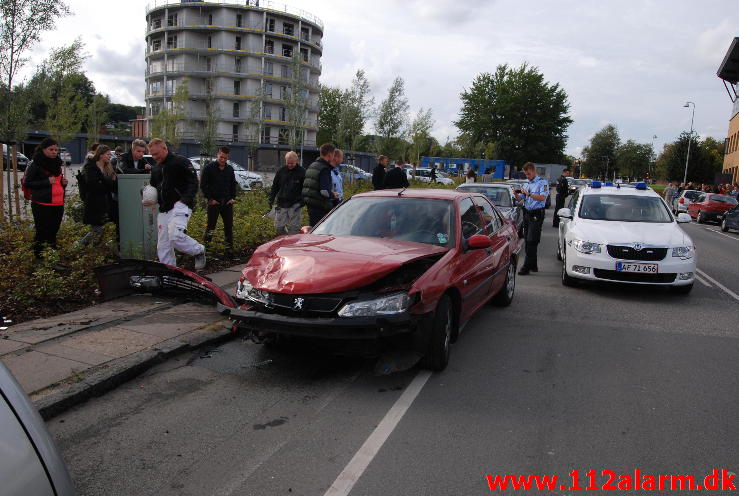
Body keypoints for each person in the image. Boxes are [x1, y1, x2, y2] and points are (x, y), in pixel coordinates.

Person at [147, 138, 206, 269]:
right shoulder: (156, 169)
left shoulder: (181, 162)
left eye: (156, 154)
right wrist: (148, 199)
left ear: (164, 148)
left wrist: (184, 200)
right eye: (152, 155)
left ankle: (199, 250)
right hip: (163, 210)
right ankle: (170, 273)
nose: (154, 157)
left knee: (175, 236)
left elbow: (193, 183)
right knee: (163, 246)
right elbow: (153, 188)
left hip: (181, 206)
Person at [24, 138, 68, 259]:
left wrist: (63, 184)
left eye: (56, 150)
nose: (54, 152)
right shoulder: (36, 164)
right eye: (51, 149)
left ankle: (52, 257)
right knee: (42, 232)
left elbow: (57, 182)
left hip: (58, 203)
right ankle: (39, 257)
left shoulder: (57, 163)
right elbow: (28, 183)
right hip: (42, 204)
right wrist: (46, 181)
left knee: (53, 231)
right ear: (43, 150)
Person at [78, 145, 117, 246]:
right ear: (101, 155)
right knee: (97, 230)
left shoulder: (107, 167)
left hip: (106, 203)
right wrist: (107, 183)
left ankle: (92, 250)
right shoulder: (90, 166)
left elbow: (112, 185)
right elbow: (92, 185)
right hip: (94, 203)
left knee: (101, 230)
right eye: (108, 154)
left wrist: (104, 183)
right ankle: (79, 246)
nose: (110, 156)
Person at [200, 146, 237, 252]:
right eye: (221, 157)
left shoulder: (229, 169)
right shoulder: (209, 168)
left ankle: (229, 252)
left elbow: (233, 184)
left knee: (228, 228)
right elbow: (203, 185)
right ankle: (205, 252)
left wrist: (233, 198)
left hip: (227, 202)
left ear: (228, 157)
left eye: (225, 158)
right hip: (214, 202)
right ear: (217, 154)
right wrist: (210, 199)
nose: (223, 160)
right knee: (210, 227)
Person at [516, 162, 549, 275]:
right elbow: (521, 198)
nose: (527, 176)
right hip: (527, 213)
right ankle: (533, 264)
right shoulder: (527, 184)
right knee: (527, 238)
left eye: (529, 174)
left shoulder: (542, 183)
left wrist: (529, 194)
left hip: (536, 214)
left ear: (534, 171)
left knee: (531, 240)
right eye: (526, 175)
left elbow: (543, 197)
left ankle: (526, 266)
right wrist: (515, 194)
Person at [269, 150, 305, 235]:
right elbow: (275, 186)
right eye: (288, 163)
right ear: (285, 160)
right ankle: (285, 240)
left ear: (297, 161)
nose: (289, 165)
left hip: (295, 205)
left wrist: (301, 203)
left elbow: (306, 190)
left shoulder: (302, 172)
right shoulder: (281, 171)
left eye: (292, 163)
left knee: (294, 230)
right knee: (278, 227)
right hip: (282, 204)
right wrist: (271, 199)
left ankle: (292, 245)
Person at [302, 143, 337, 226]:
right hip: (320, 207)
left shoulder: (312, 165)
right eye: (333, 154)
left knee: (313, 229)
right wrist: (333, 195)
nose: (333, 157)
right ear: (329, 154)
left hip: (310, 204)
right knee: (321, 231)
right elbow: (324, 191)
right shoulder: (324, 169)